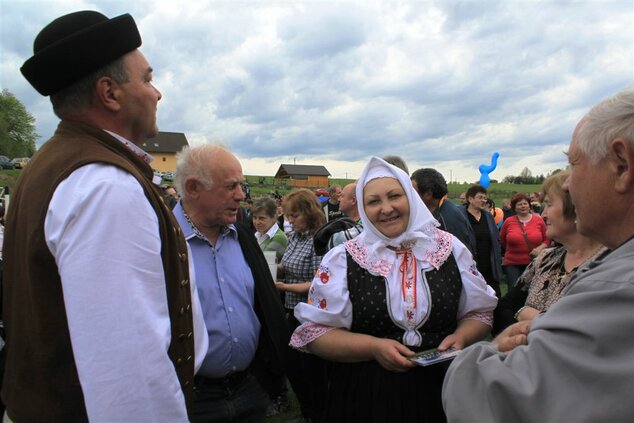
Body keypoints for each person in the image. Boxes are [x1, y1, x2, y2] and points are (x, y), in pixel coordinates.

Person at [2, 11, 208, 421]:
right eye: (147, 79)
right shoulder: (105, 186)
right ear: (110, 94)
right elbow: (129, 371)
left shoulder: (52, 164)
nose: (157, 93)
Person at [442, 89, 634, 422]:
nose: (569, 185)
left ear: (622, 166)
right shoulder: (594, 264)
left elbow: (489, 396)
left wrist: (491, 351)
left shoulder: (617, 286)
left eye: (573, 164)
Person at [290, 157, 497, 423]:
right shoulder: (344, 258)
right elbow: (316, 334)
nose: (386, 208)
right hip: (367, 393)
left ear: (410, 198)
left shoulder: (450, 249)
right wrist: (373, 347)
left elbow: (480, 314)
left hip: (443, 386)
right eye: (374, 201)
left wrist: (461, 337)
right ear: (363, 209)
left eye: (394, 196)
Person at [172, 145, 289, 422]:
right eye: (231, 186)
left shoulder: (242, 238)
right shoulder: (161, 240)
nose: (241, 195)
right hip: (191, 398)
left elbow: (263, 306)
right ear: (193, 188)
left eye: (242, 185)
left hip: (249, 388)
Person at [493, 170, 606, 334]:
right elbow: (503, 308)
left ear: (576, 208)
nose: (543, 214)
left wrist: (526, 314)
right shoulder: (546, 259)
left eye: (549, 205)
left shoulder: (605, 266)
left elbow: (587, 334)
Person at [276, 188, 327, 423]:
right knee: (292, 366)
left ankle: (316, 414)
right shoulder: (295, 236)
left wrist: (284, 287)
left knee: (310, 370)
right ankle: (307, 411)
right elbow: (287, 266)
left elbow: (319, 283)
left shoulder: (319, 239)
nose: (290, 220)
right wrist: (270, 267)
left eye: (294, 215)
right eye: (288, 215)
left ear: (309, 212)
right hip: (292, 310)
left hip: (310, 314)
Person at [411, 167, 476, 255]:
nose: (409, 195)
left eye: (413, 191)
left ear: (428, 194)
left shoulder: (449, 219)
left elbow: (460, 257)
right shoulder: (436, 211)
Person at [499, 193, 549, 288]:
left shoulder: (538, 220)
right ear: (514, 207)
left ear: (529, 205)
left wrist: (540, 248)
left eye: (525, 203)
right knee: (514, 292)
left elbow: (548, 238)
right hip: (512, 264)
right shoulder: (508, 221)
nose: (523, 206)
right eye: (519, 204)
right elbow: (502, 240)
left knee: (533, 291)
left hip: (534, 262)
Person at [464, 185, 504, 297]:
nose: (483, 200)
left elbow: (495, 239)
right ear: (470, 199)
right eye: (480, 197)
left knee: (495, 295)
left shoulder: (488, 217)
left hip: (489, 264)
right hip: (471, 264)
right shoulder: (462, 217)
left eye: (484, 198)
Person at [252, 196, 288, 263]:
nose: (257, 222)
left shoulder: (279, 238)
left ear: (274, 217)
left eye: (262, 218)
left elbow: (261, 263)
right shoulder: (257, 235)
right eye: (254, 217)